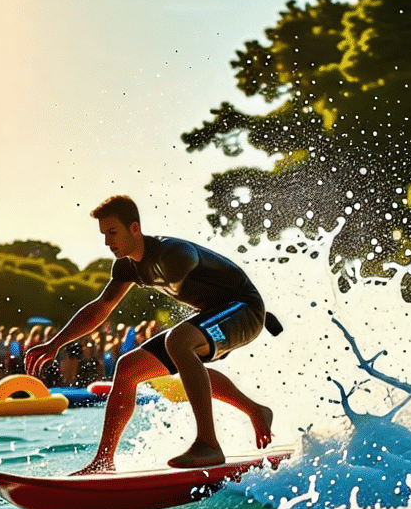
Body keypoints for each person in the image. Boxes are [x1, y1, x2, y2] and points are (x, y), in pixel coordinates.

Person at [25, 195, 278, 473]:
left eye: (113, 232)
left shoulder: (173, 252)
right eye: (104, 235)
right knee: (128, 368)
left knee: (179, 342)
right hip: (217, 315)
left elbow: (199, 263)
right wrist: (55, 344)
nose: (109, 242)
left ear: (134, 228)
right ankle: (103, 461)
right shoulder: (125, 267)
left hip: (245, 310)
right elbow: (102, 307)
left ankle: (209, 444)